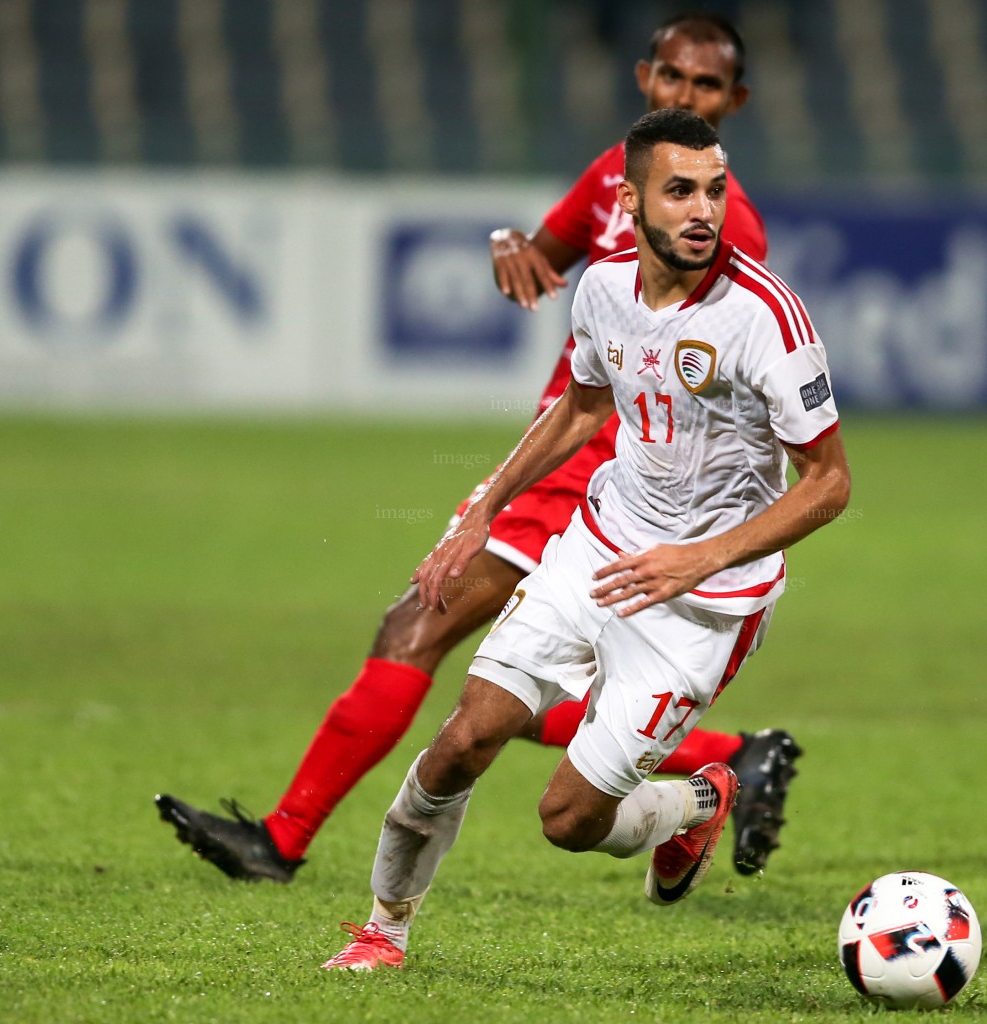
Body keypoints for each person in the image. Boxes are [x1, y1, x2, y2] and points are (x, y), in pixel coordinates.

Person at [154, 12, 802, 885]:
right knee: (497, 675)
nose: (687, 95)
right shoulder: (614, 176)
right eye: (674, 78)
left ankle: (284, 841)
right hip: (559, 449)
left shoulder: (731, 232)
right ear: (646, 78)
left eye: (707, 84)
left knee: (421, 629)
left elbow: (726, 401)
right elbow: (544, 255)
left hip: (609, 480)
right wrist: (512, 247)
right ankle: (732, 756)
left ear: (736, 100)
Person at [319, 107, 851, 972]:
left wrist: (700, 556)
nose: (703, 211)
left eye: (715, 190)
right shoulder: (602, 286)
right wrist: (483, 513)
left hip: (706, 603)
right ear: (631, 198)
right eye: (679, 191)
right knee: (464, 739)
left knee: (568, 821)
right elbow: (582, 406)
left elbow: (831, 484)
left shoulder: (767, 319)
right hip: (597, 548)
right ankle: (384, 931)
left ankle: (696, 803)